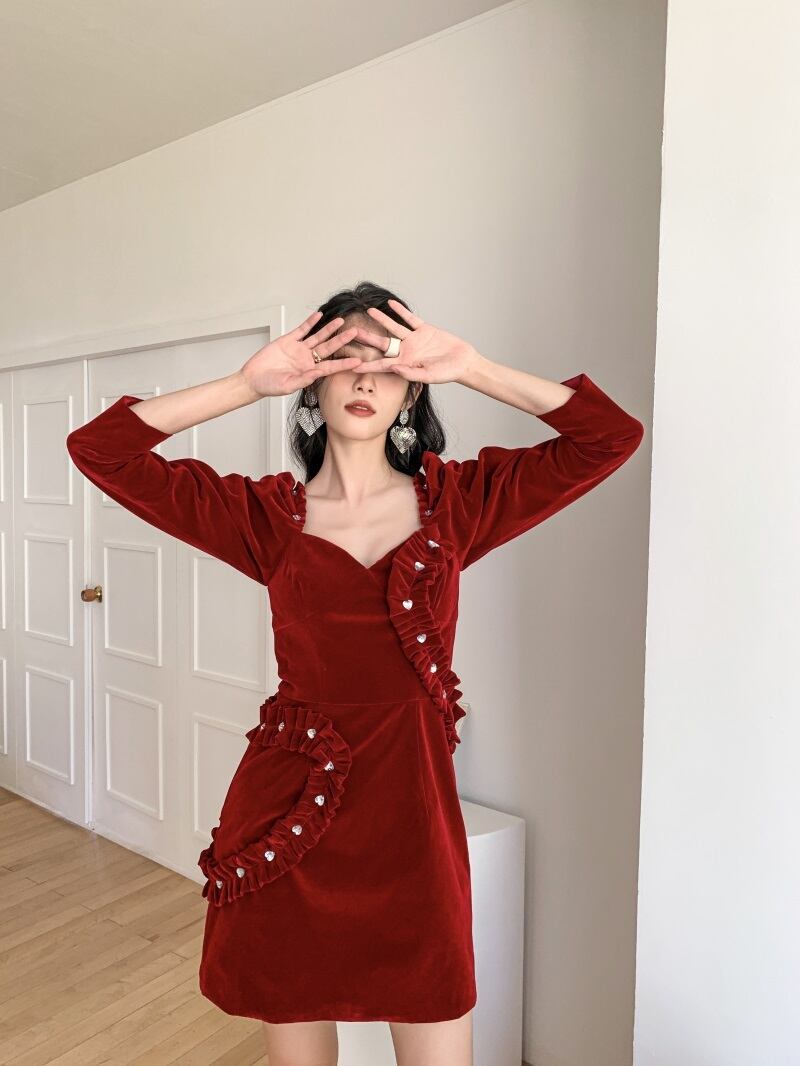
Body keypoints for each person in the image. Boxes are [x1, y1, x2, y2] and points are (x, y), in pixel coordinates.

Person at [66, 281, 644, 1066]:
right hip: (291, 820)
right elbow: (99, 449)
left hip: (413, 826)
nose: (365, 378)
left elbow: (609, 437)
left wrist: (472, 366)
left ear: (412, 389)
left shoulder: (460, 503)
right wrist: (246, 383)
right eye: (342, 359)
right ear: (312, 383)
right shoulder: (263, 516)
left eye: (386, 361)